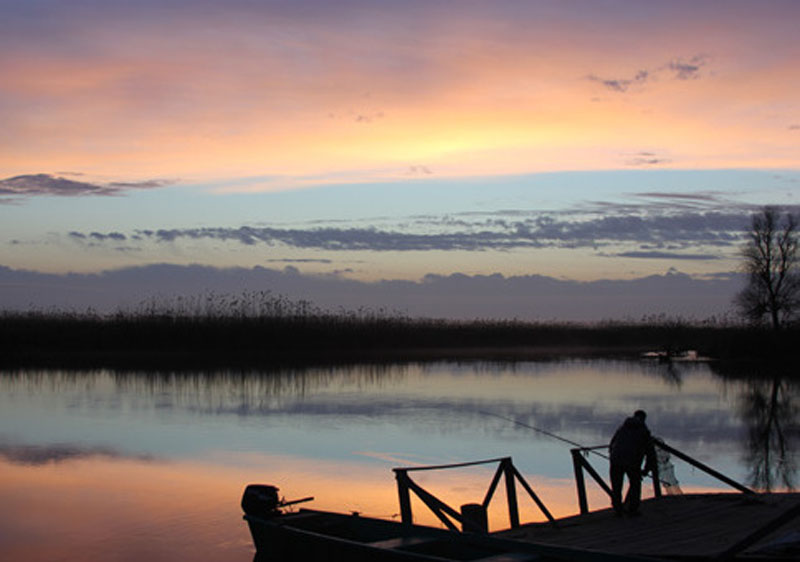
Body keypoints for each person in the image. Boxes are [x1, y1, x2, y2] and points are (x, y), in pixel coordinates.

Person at [609, 409, 656, 516]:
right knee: (635, 484)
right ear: (644, 419)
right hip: (632, 462)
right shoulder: (644, 432)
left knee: (616, 486)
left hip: (616, 460)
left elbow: (612, 444)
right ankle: (633, 509)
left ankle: (618, 509)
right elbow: (650, 453)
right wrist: (646, 469)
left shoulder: (622, 428)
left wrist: (612, 456)